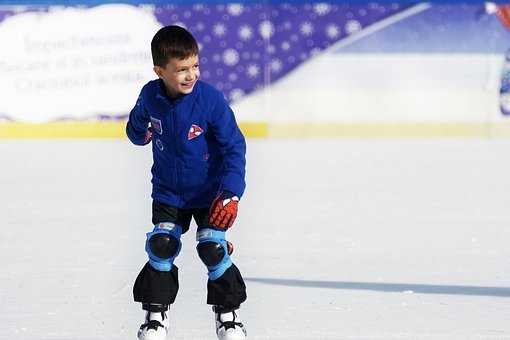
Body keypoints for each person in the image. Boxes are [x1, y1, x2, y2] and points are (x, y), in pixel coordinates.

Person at [126, 25, 247, 340]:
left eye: (195, 66)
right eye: (181, 70)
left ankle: (228, 317)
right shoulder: (150, 95)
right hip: (168, 191)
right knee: (161, 246)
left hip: (210, 193)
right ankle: (155, 316)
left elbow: (234, 146)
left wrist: (231, 193)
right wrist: (139, 132)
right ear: (160, 71)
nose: (191, 74)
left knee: (213, 249)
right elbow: (137, 126)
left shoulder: (210, 100)